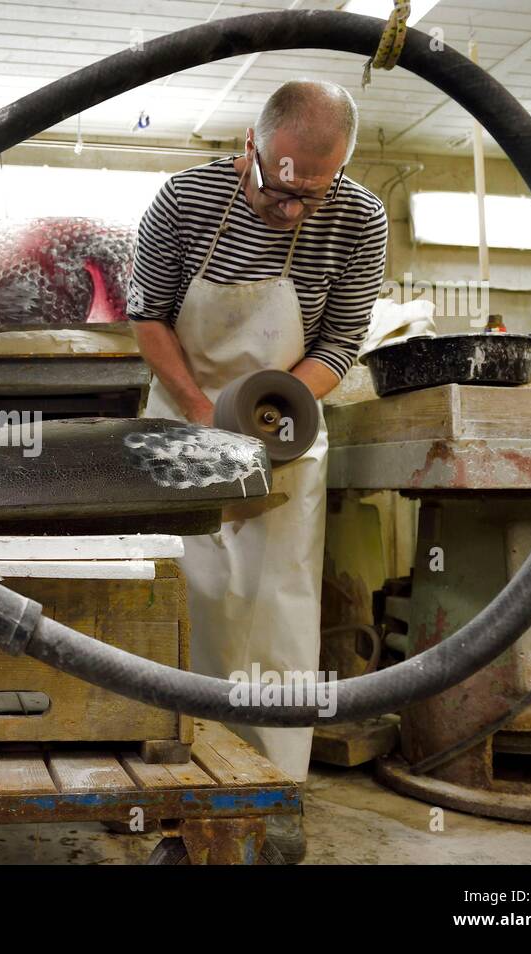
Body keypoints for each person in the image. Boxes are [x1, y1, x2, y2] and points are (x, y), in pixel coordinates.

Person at [128, 79, 388, 862]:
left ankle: (272, 795)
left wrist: (269, 411)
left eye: (317, 190)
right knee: (184, 602)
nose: (296, 207)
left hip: (284, 427)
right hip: (185, 418)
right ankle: (171, 787)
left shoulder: (361, 216)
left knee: (278, 609)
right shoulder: (183, 200)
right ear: (251, 145)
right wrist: (205, 415)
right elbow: (148, 315)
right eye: (283, 189)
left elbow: (340, 341)